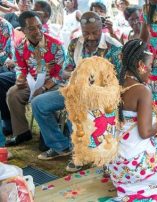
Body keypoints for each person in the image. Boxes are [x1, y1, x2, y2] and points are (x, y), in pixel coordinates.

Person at [31, 12, 122, 171]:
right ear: (81, 29)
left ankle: (81, 154)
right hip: (74, 90)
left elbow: (118, 80)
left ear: (102, 28)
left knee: (75, 109)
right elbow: (66, 70)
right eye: (86, 33)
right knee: (39, 103)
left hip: (100, 97)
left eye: (95, 32)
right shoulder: (75, 44)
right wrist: (48, 85)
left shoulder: (113, 47)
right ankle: (60, 146)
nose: (91, 37)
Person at [107, 39, 157, 201]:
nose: (152, 71)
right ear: (141, 64)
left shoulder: (117, 85)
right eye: (151, 66)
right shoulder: (142, 91)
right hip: (135, 164)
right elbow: (146, 132)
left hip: (115, 165)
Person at [5, 11, 66, 146]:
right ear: (23, 30)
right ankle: (22, 132)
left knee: (44, 146)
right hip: (31, 83)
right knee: (13, 93)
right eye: (32, 28)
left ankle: (51, 134)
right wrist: (19, 78)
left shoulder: (56, 45)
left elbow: (61, 74)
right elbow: (21, 68)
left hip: (54, 84)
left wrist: (44, 87)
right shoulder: (20, 46)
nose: (38, 31)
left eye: (39, 26)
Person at [0, 17, 15, 137]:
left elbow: (6, 53)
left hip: (6, 64)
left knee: (1, 80)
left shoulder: (4, 26)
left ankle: (7, 122)